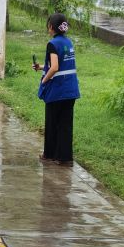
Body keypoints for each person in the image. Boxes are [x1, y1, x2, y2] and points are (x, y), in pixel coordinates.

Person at [32, 13, 80, 166]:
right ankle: (65, 158)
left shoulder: (52, 44)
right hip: (71, 89)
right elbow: (63, 66)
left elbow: (54, 68)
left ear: (51, 27)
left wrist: (44, 80)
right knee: (65, 124)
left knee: (52, 123)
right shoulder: (68, 42)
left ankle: (50, 154)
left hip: (57, 90)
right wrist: (41, 67)